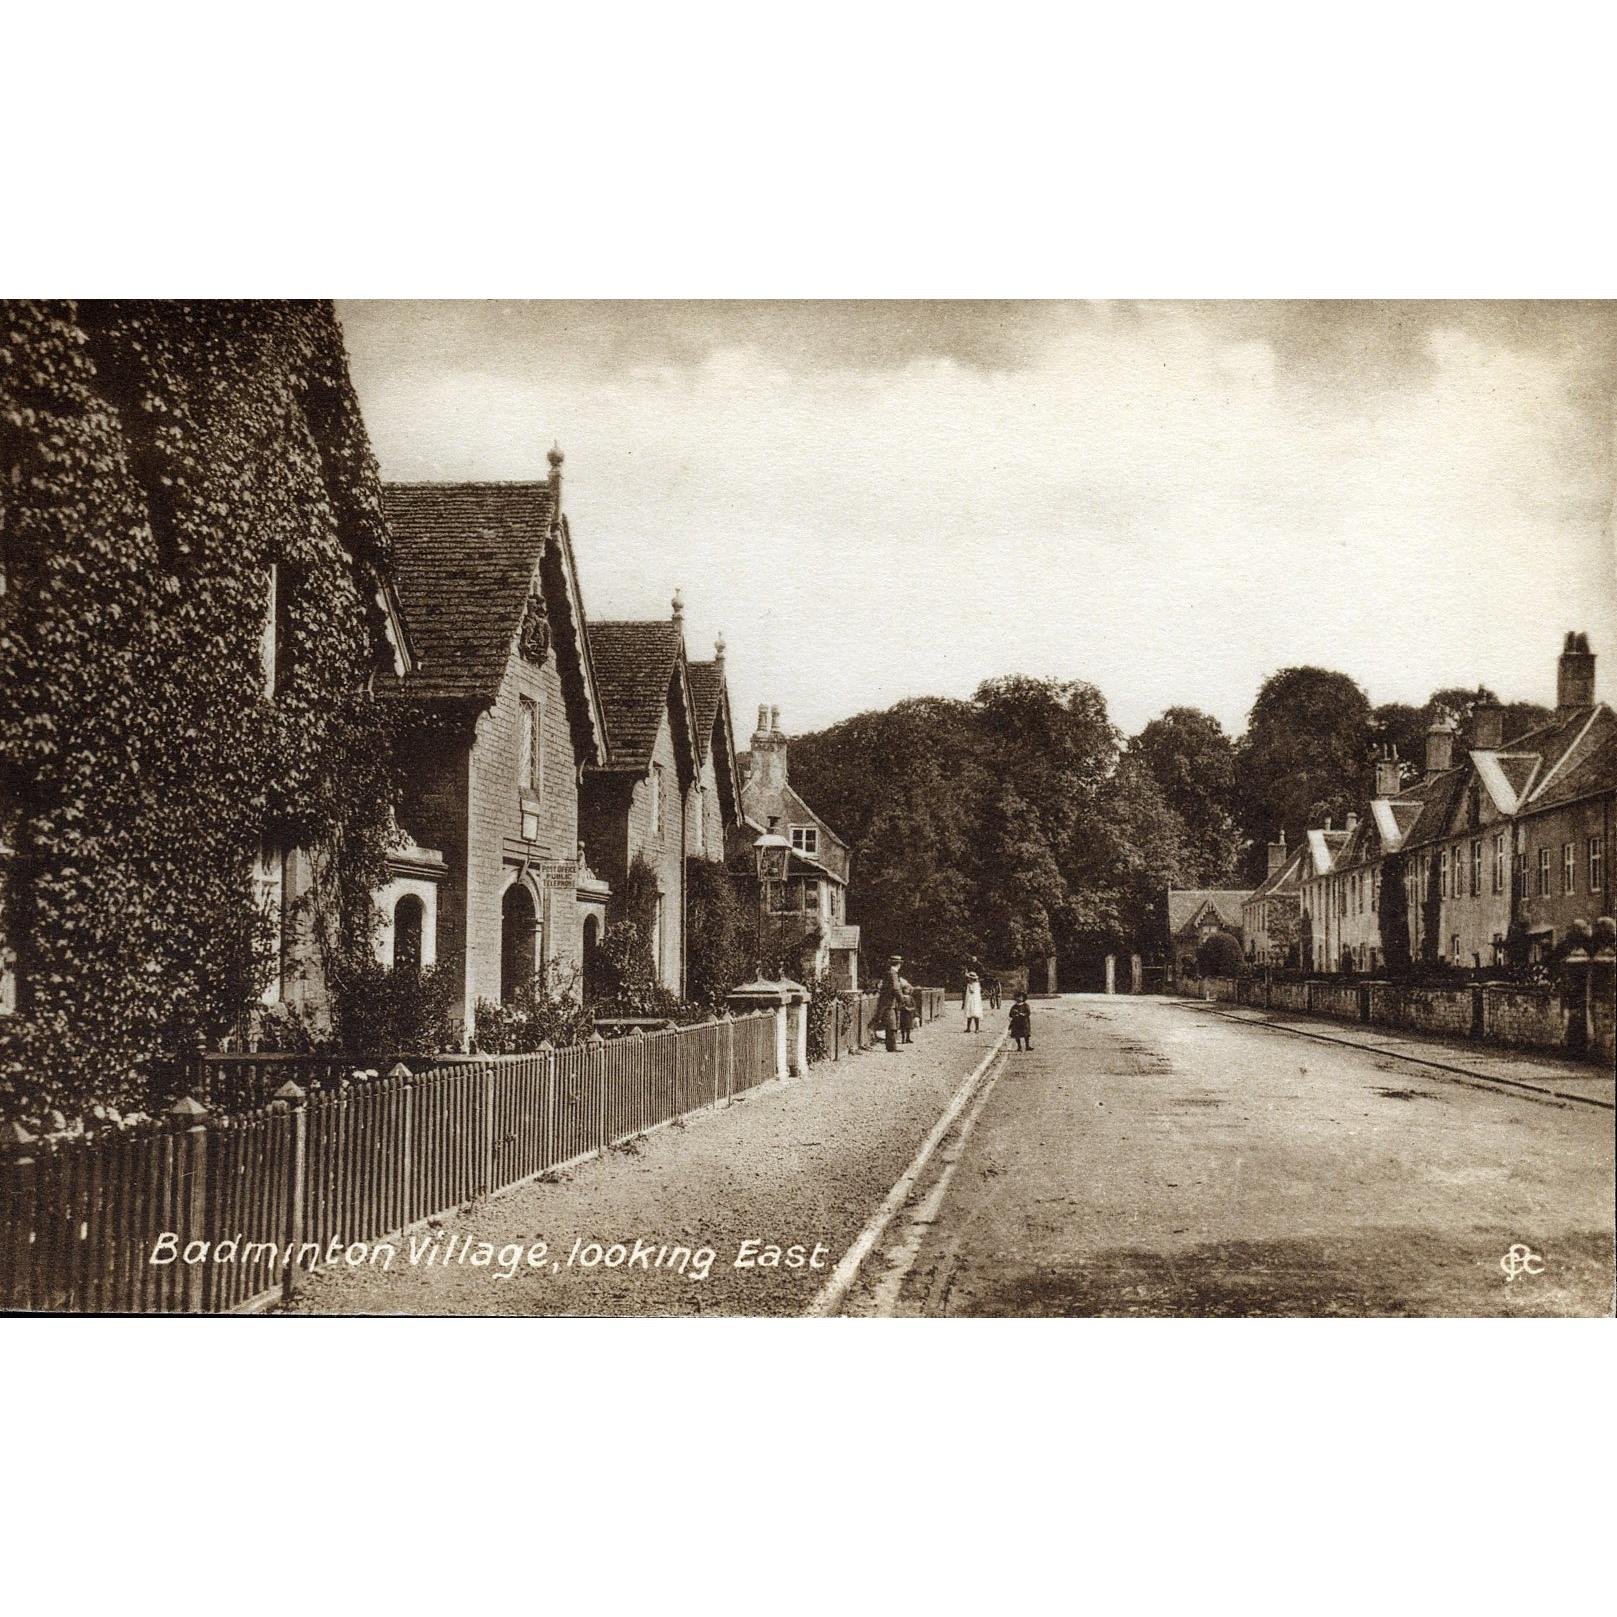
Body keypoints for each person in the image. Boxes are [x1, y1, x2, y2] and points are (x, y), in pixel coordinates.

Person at [873, 954, 904, 1053]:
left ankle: (891, 1046)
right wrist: (901, 999)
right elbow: (896, 988)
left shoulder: (889, 973)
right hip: (889, 1003)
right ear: (898, 964)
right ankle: (891, 1047)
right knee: (892, 1024)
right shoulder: (892, 973)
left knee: (891, 1024)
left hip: (888, 1002)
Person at [962, 968, 983, 1033]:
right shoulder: (972, 984)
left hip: (974, 1001)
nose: (968, 979)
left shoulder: (975, 985)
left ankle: (977, 1028)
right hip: (970, 1000)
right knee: (969, 1014)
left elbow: (972, 991)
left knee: (975, 1014)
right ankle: (968, 1028)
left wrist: (970, 986)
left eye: (969, 978)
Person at [898, 975, 916, 1044]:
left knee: (909, 1026)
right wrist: (905, 1008)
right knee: (903, 1027)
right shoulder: (902, 997)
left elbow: (914, 1005)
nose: (907, 991)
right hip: (904, 1014)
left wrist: (911, 1009)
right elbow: (901, 1005)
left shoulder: (910, 998)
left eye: (908, 990)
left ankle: (908, 1038)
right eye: (906, 989)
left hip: (909, 1014)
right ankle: (903, 1039)